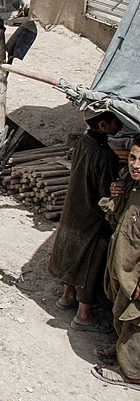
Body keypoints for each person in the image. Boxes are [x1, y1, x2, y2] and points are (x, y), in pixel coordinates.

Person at [49, 110, 123, 333]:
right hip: (92, 216)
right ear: (103, 125)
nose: (119, 126)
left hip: (74, 207)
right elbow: (105, 194)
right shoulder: (106, 156)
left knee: (71, 253)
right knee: (91, 263)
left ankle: (67, 295)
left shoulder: (82, 142)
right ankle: (83, 314)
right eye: (116, 123)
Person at [92, 137, 140, 390]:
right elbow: (117, 218)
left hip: (136, 274)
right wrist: (115, 196)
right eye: (133, 158)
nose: (136, 165)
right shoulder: (132, 187)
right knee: (121, 309)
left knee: (136, 320)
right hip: (123, 266)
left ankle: (132, 375)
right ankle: (122, 349)